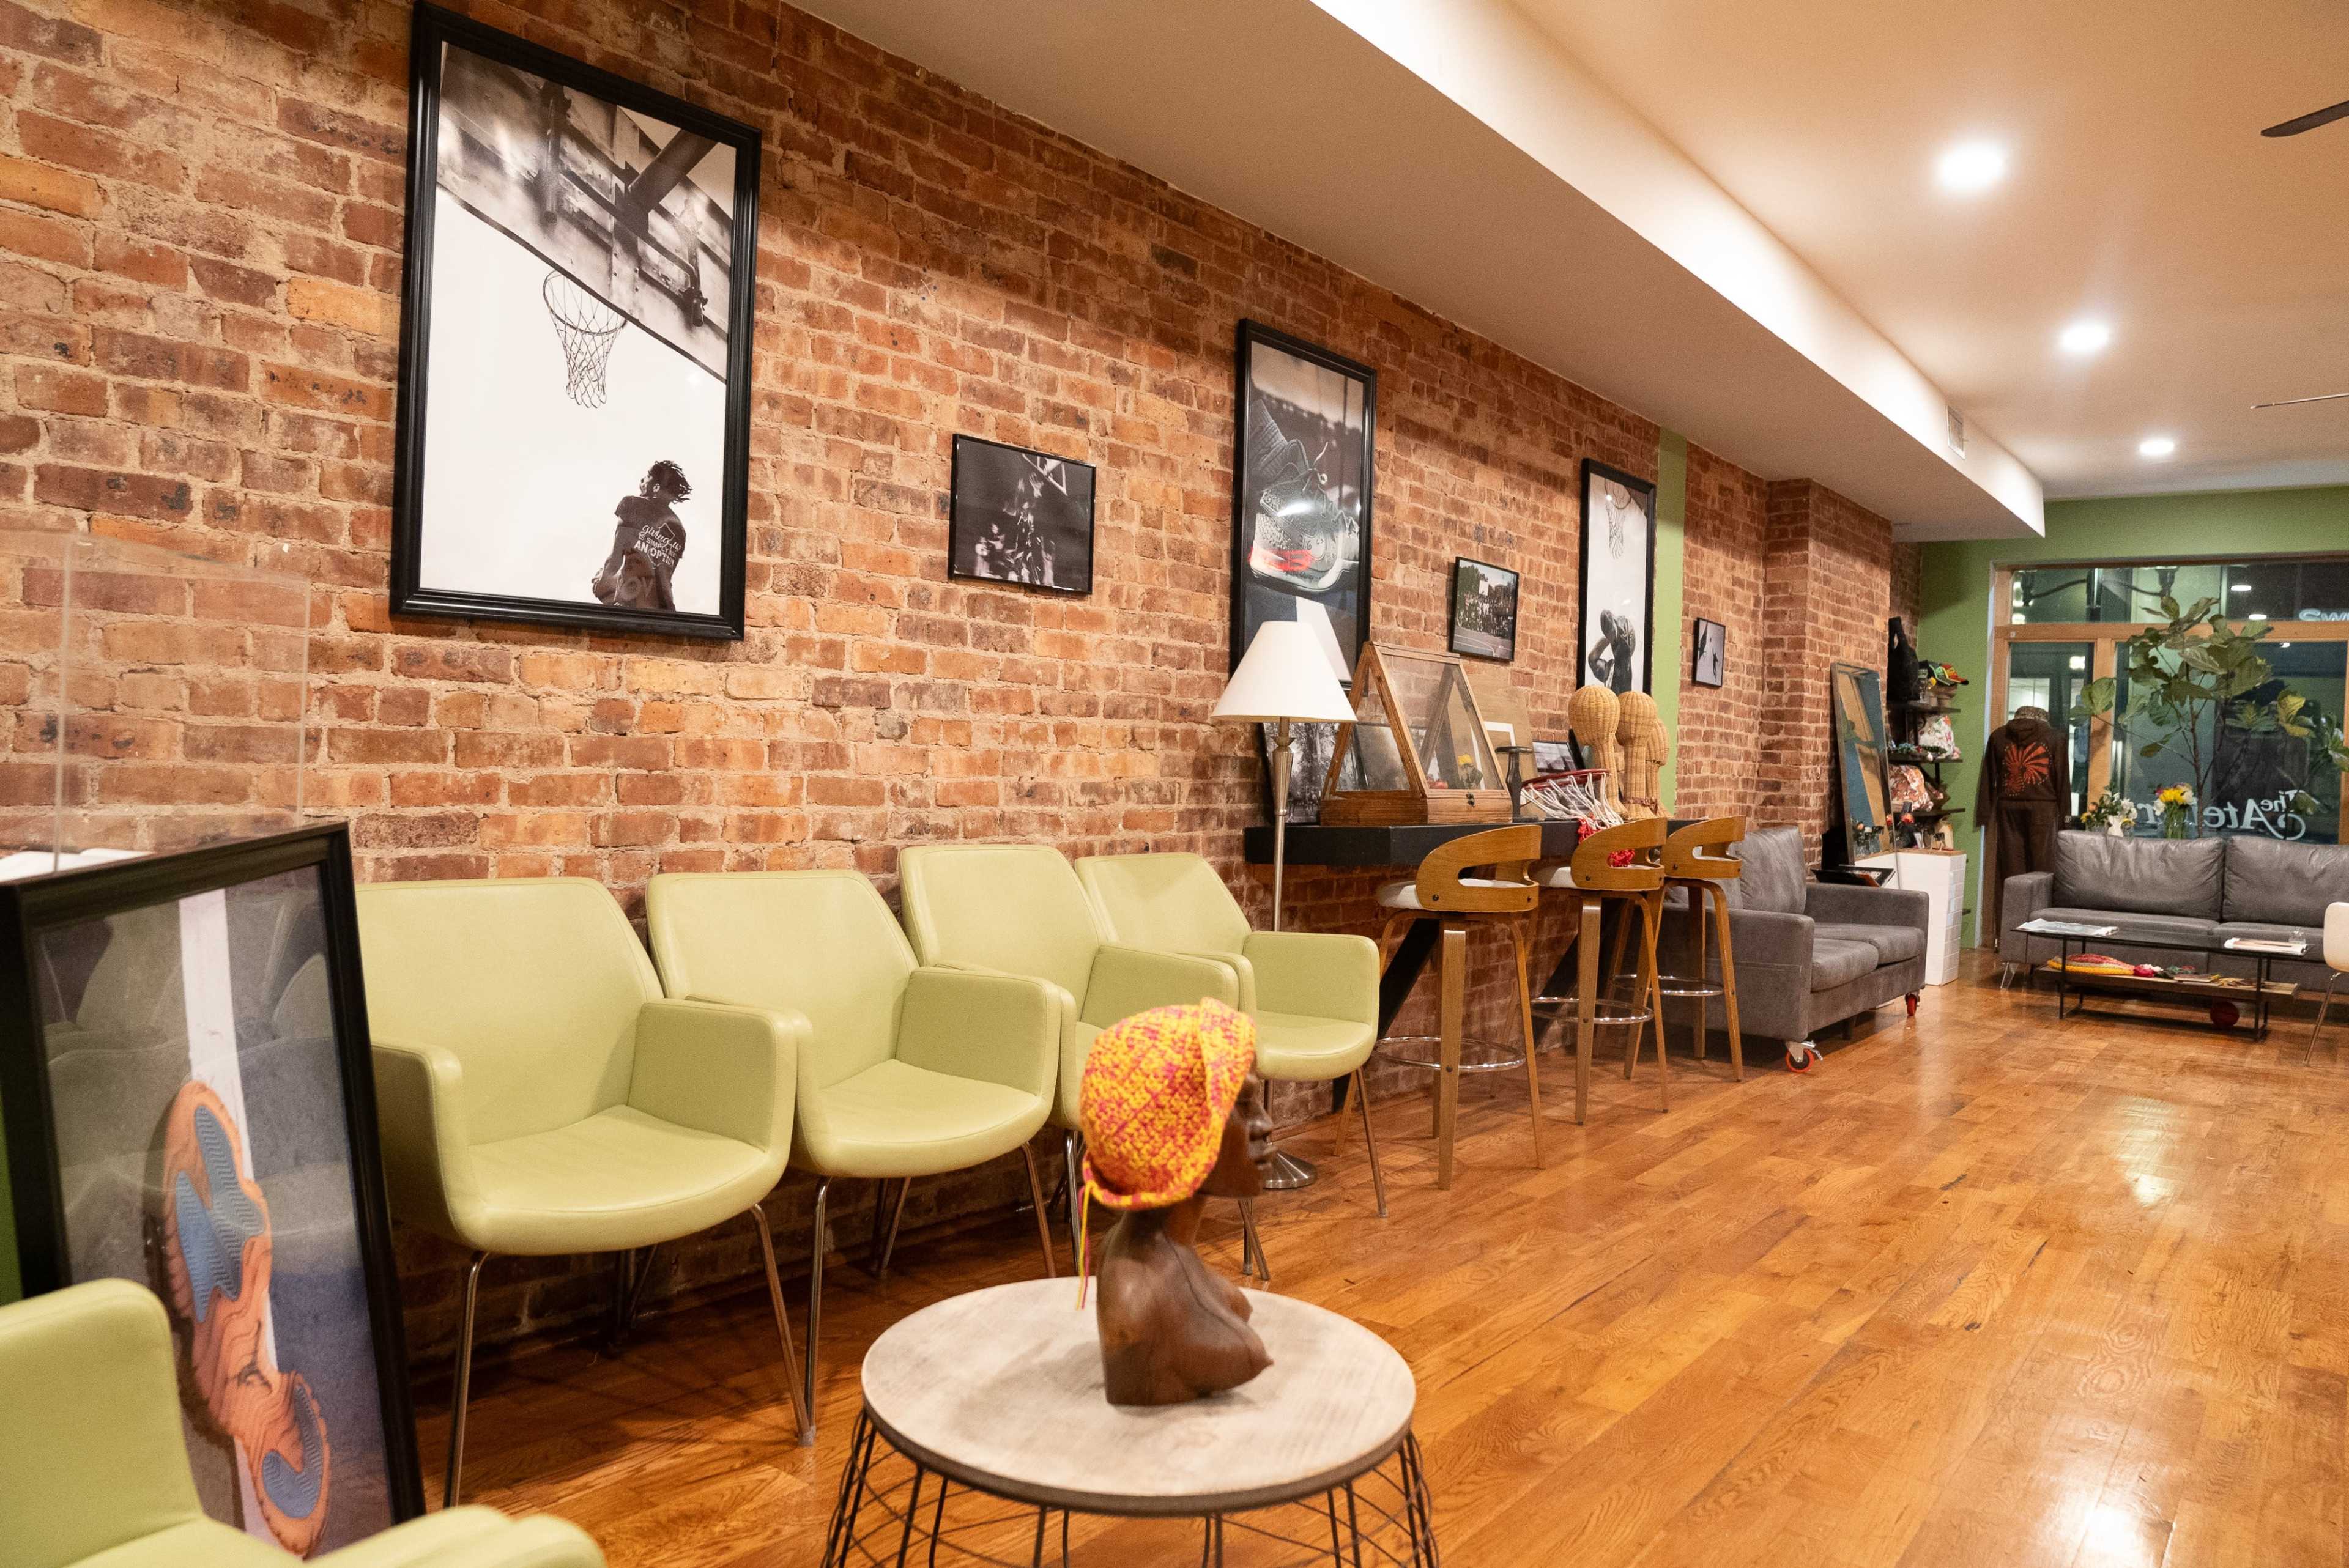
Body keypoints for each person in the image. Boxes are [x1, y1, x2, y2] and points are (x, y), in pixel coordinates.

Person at [1078, 999, 1277, 1406]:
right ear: (1173, 1134)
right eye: (1241, 1103)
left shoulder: (1144, 1255)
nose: (1266, 1124)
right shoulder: (1140, 1308)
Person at [591, 460, 691, 612]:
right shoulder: (679, 529)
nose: (641, 481)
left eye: (646, 477)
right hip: (666, 613)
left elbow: (615, 561)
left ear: (656, 488)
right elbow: (661, 578)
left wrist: (601, 583)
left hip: (631, 607)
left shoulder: (632, 504)